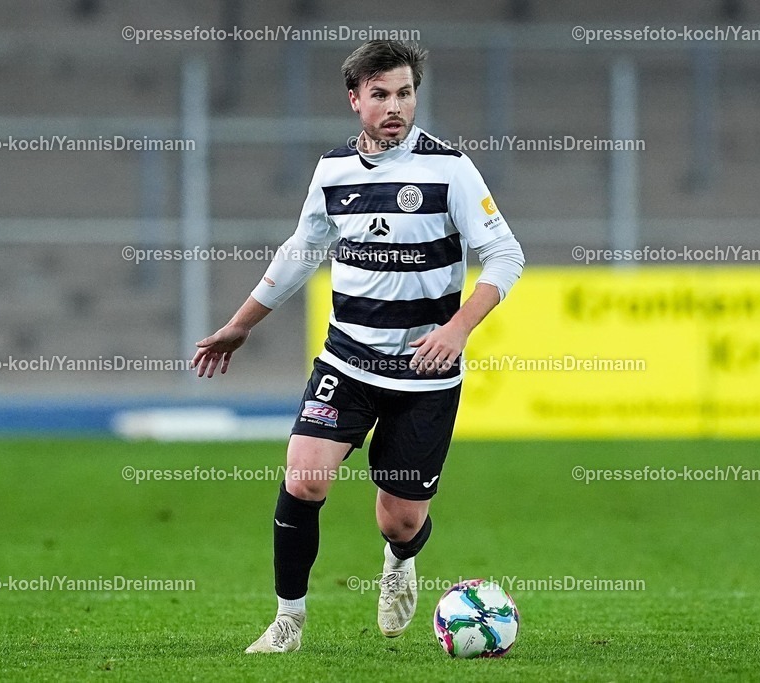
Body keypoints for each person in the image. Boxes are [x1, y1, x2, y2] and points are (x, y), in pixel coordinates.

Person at [190, 39, 525, 653]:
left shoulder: (450, 168)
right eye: (380, 95)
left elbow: (506, 255)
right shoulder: (332, 171)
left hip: (425, 372)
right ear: (355, 100)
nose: (395, 106)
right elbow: (301, 252)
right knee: (305, 476)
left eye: (404, 93)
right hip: (347, 361)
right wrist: (242, 322)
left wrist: (456, 329)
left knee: (398, 518)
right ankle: (288, 620)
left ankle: (400, 559)